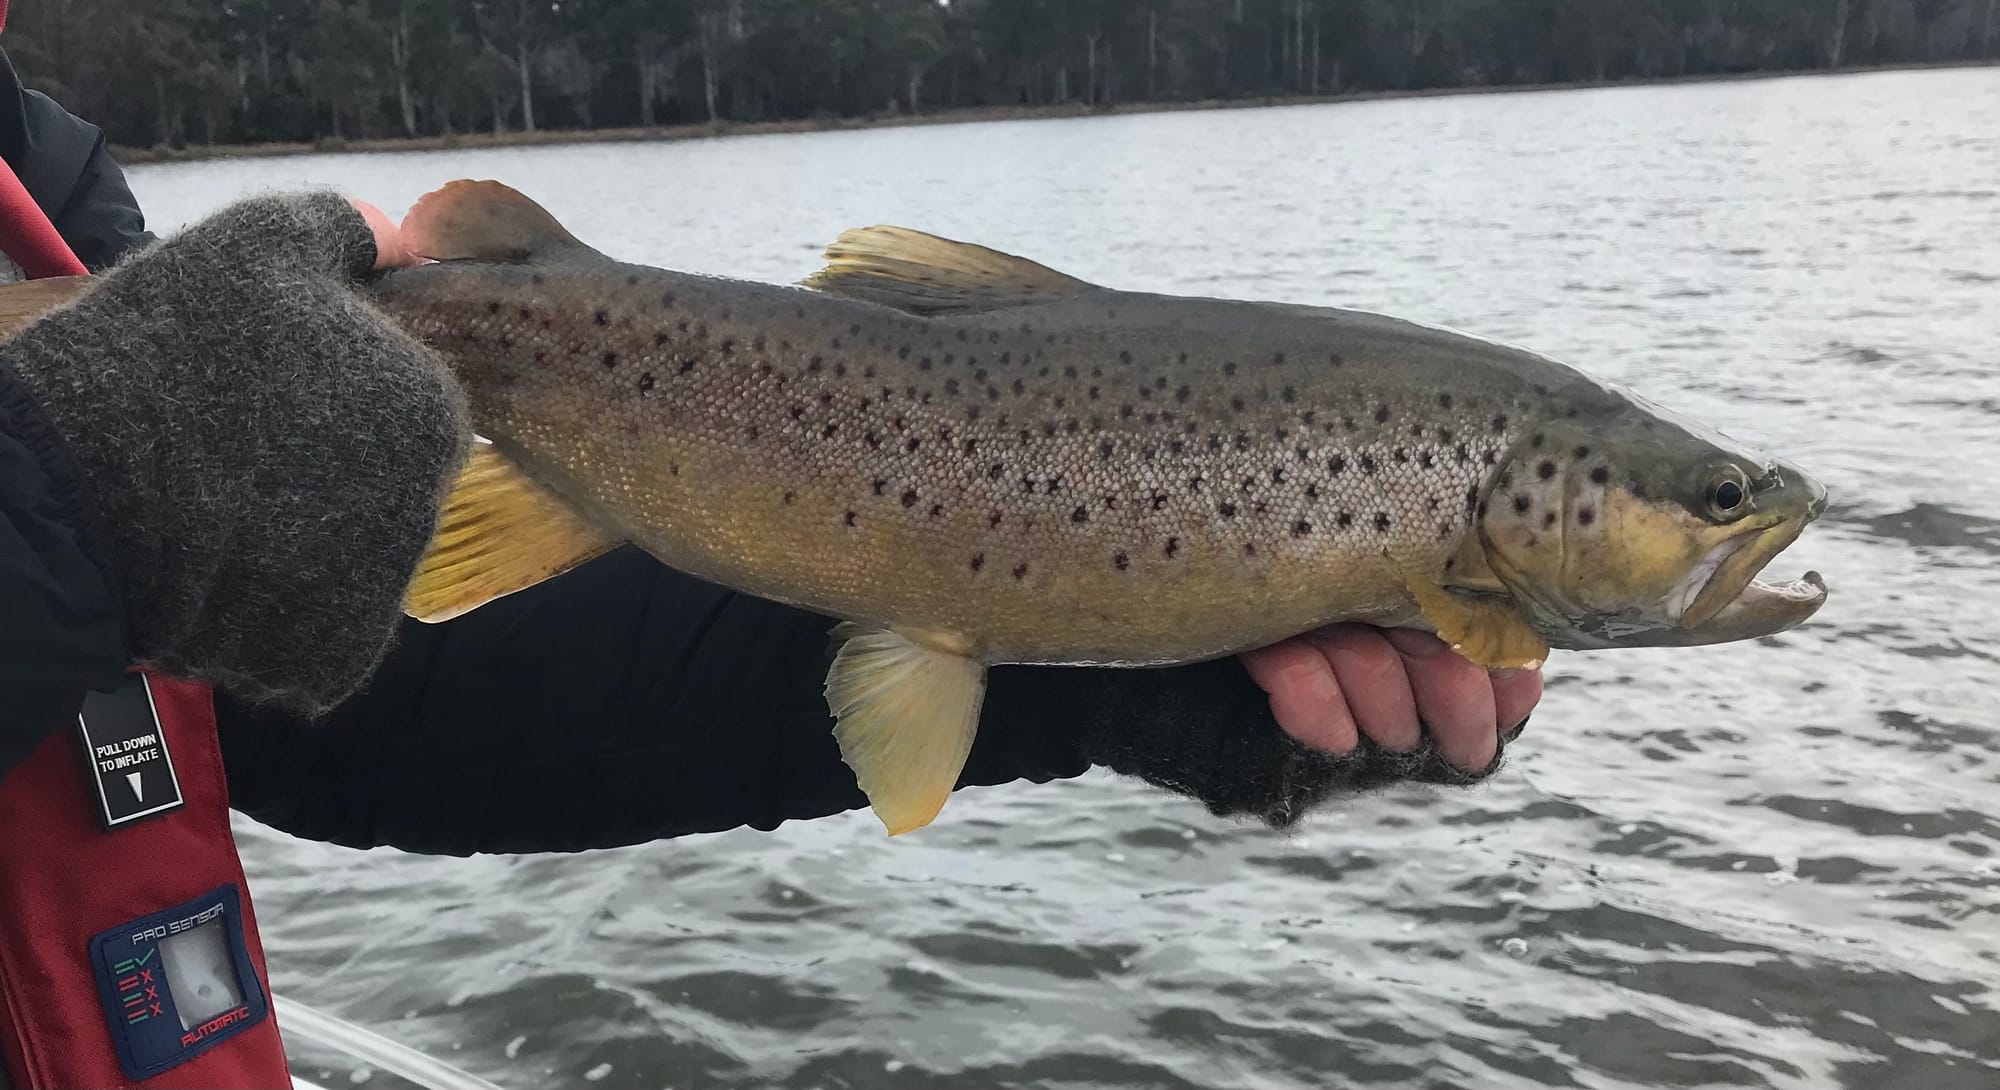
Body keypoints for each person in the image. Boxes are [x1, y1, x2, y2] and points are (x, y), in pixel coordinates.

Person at [0, 26, 1539, 1090]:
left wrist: (1078, 651)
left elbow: (346, 702)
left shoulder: (35, 182)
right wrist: (61, 503)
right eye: (1719, 502)